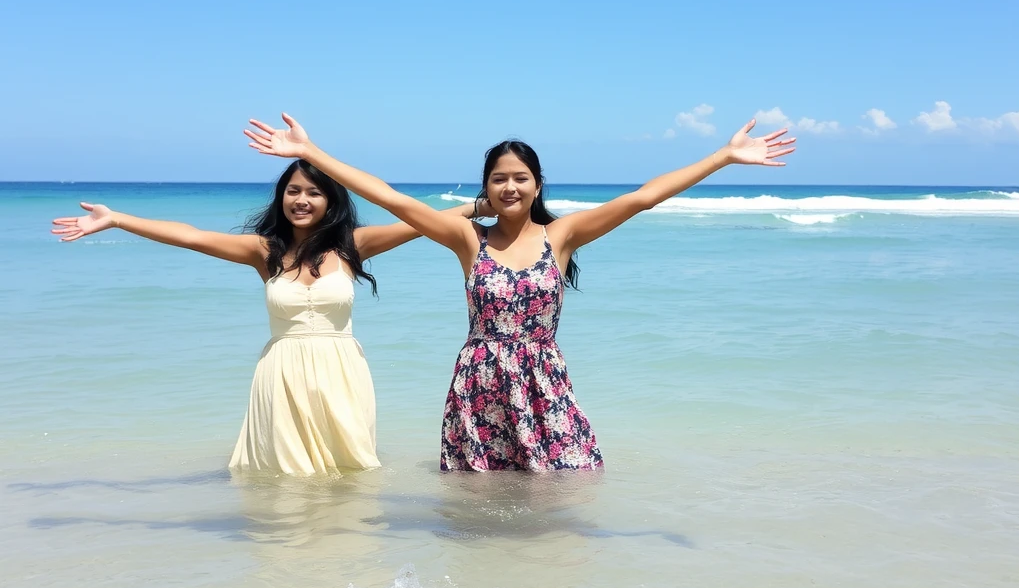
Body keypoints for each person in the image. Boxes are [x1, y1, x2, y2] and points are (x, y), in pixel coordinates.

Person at [245, 114, 796, 472]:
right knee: (481, 509)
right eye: (498, 179)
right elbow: (392, 199)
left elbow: (643, 198)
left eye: (521, 178)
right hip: (479, 384)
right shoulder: (467, 238)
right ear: (485, 189)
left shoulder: (564, 236)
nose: (509, 187)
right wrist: (313, 154)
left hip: (544, 382)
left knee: (566, 490)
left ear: (537, 185)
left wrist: (722, 157)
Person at [50, 161, 482, 475]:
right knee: (284, 481)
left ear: (330, 201)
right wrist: (118, 220)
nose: (301, 199)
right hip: (282, 374)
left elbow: (423, 222)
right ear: (282, 198)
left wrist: (483, 205)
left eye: (313, 192)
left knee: (351, 476)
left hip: (342, 373)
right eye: (293, 191)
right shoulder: (265, 252)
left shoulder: (353, 245)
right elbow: (193, 236)